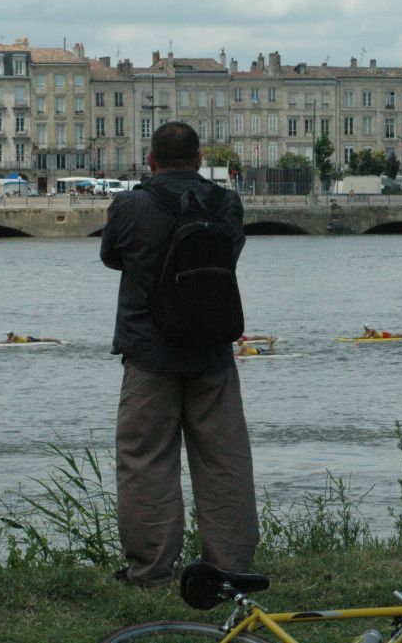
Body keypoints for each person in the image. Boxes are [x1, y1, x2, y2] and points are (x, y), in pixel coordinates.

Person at [101, 122, 258, 586]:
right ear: (198, 158)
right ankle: (230, 567)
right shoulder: (225, 202)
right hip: (212, 350)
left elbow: (112, 257)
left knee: (146, 459)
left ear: (151, 160)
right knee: (224, 460)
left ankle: (150, 569)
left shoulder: (130, 204)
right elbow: (230, 253)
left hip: (148, 351)